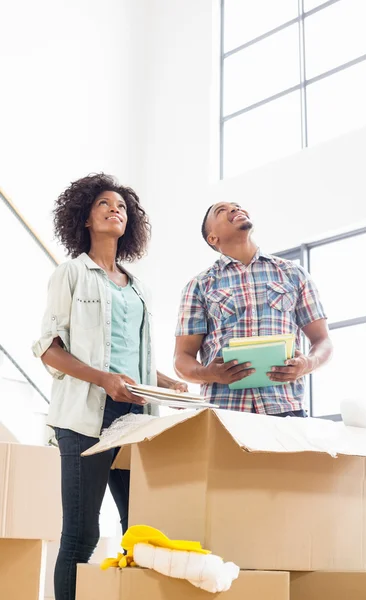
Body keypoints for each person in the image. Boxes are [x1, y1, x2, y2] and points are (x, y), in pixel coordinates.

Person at [33, 173, 187, 600]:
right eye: (103, 203)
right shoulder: (70, 274)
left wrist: (166, 385)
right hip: (86, 417)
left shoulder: (139, 289)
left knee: (141, 530)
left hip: (137, 419)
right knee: (81, 535)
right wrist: (104, 380)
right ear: (84, 217)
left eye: (121, 206)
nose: (114, 209)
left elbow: (130, 361)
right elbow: (49, 349)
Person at [174, 202, 332, 416]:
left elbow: (323, 341)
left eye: (237, 206)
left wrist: (307, 364)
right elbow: (181, 359)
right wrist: (210, 373)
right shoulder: (199, 285)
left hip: (286, 409)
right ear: (213, 238)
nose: (234, 209)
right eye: (221, 210)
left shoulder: (293, 273)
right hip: (225, 413)